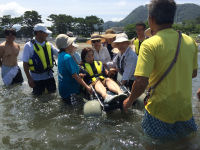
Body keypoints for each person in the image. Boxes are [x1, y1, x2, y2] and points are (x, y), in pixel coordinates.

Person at [123, 0, 198, 140]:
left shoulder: (149, 44)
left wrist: (129, 100)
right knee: (186, 143)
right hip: (185, 110)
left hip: (160, 112)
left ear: (151, 19)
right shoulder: (190, 41)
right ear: (172, 17)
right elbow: (193, 74)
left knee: (153, 144)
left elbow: (141, 82)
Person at [22, 23, 58, 96]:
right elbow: (25, 64)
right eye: (45, 33)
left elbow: (59, 53)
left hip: (49, 76)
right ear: (38, 33)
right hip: (36, 78)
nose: (47, 35)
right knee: (38, 97)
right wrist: (29, 79)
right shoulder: (28, 46)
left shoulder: (49, 44)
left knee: (53, 94)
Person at [56, 34, 92, 105]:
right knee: (78, 110)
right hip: (71, 91)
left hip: (63, 90)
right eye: (71, 43)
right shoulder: (68, 57)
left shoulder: (60, 55)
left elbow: (66, 72)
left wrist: (79, 75)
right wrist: (87, 87)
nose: (72, 45)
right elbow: (75, 76)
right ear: (67, 45)